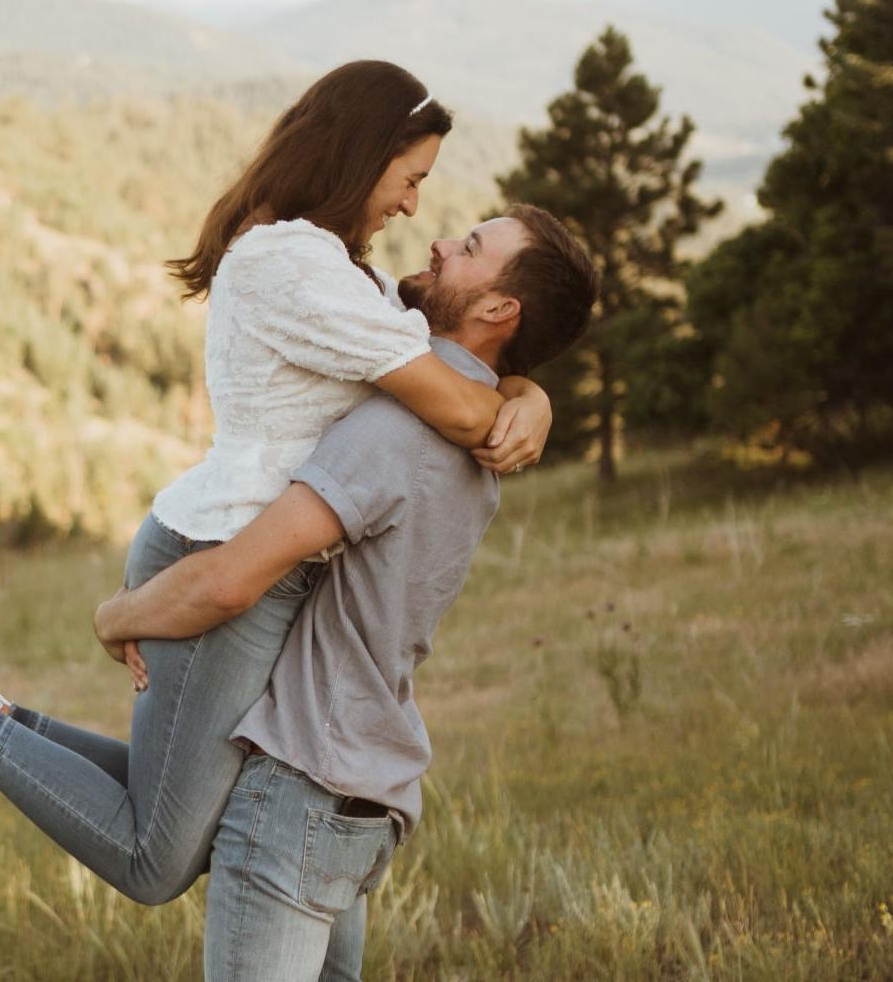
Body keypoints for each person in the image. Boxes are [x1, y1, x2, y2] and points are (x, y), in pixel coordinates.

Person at [0, 61, 552, 907]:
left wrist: (529, 391)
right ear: (360, 156)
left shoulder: (338, 269)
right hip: (221, 554)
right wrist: (523, 403)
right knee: (154, 858)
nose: (412, 206)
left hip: (250, 551)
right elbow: (458, 402)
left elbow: (444, 359)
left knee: (184, 812)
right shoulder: (291, 264)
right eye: (409, 178)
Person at [95, 204, 598, 979]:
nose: (438, 239)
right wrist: (531, 393)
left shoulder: (394, 432)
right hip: (362, 789)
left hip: (297, 792)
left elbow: (230, 578)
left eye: (468, 247)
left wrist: (116, 615)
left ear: (500, 309)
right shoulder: (485, 430)